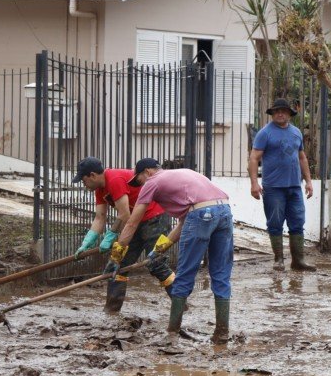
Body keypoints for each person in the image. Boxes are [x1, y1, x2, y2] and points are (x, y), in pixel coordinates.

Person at [111, 159, 233, 344]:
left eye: (140, 180)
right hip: (224, 211)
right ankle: (222, 333)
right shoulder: (184, 174)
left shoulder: (152, 182)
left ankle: (172, 334)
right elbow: (185, 222)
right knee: (221, 274)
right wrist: (158, 249)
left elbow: (132, 222)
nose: (141, 185)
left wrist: (117, 254)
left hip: (201, 214)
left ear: (148, 172)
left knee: (184, 273)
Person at [72, 157, 175, 313]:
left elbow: (124, 214)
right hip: (135, 222)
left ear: (92, 175)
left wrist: (112, 235)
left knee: (156, 263)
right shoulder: (100, 189)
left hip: (155, 217)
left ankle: (182, 303)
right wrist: (87, 242)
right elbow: (100, 218)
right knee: (117, 264)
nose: (84, 185)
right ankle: (111, 311)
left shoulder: (114, 179)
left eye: (83, 180)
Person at [249, 98, 317, 272]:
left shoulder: (296, 133)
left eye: (283, 111)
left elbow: (302, 157)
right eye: (276, 111)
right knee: (275, 222)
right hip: (273, 187)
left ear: (289, 114)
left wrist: (308, 181)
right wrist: (254, 183)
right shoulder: (265, 133)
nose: (280, 113)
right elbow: (254, 158)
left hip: (294, 186)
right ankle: (279, 260)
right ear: (272, 114)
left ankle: (298, 261)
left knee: (297, 222)